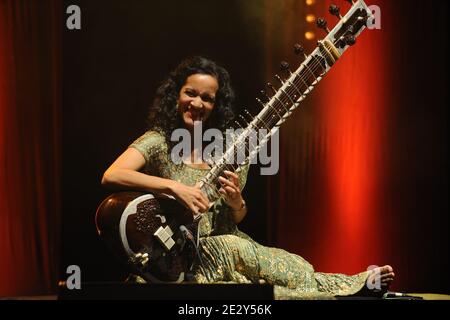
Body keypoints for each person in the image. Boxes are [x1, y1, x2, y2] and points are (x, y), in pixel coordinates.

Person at [101, 56, 395, 299]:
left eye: (207, 98)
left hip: (232, 245)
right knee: (257, 284)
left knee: (297, 270)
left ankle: (353, 287)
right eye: (190, 93)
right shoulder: (158, 142)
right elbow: (112, 175)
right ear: (175, 95)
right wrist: (175, 187)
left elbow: (238, 216)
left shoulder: (229, 150)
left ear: (216, 105)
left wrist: (236, 202)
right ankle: (350, 290)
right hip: (184, 254)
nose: (197, 103)